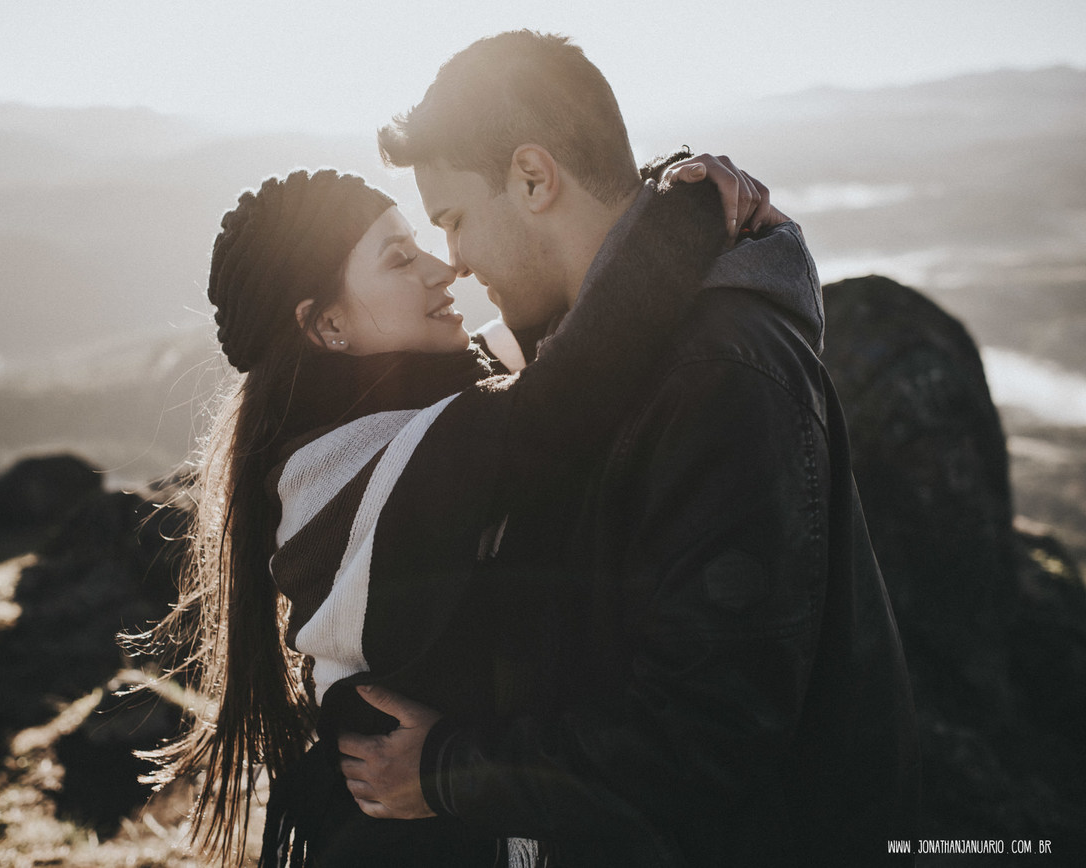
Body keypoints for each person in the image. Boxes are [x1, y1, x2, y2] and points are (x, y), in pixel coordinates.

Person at [335, 29, 921, 866]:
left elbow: (707, 739)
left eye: (455, 221)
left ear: (533, 178)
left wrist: (447, 769)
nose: (454, 261)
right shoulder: (598, 357)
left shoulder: (717, 375)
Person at [143, 154, 804, 867]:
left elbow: (574, 314)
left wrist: (661, 177)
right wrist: (692, 208)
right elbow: (575, 382)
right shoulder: (339, 477)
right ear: (327, 324)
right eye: (400, 260)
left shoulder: (418, 405)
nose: (443, 268)